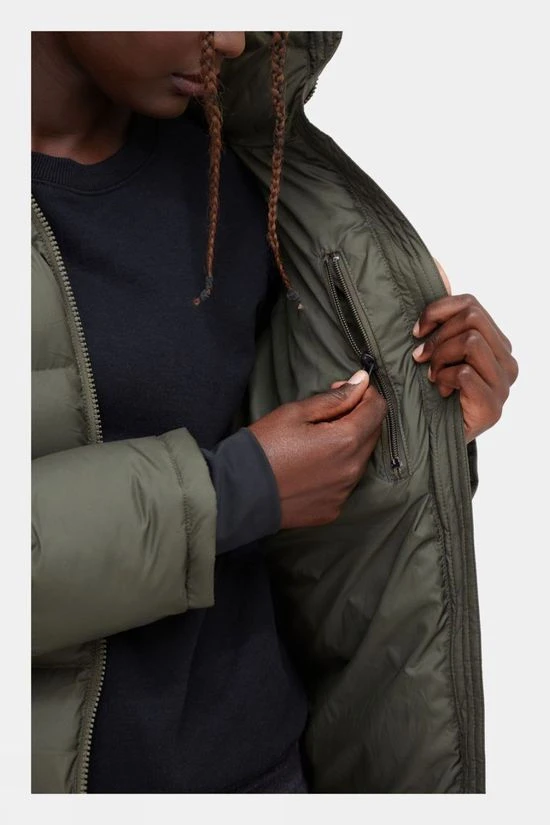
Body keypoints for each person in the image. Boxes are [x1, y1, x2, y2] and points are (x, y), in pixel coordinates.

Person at [31, 31, 518, 794]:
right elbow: (251, 480)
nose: (231, 38)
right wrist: (232, 491)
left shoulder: (242, 171)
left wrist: (422, 426)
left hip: (271, 772)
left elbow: (301, 498)